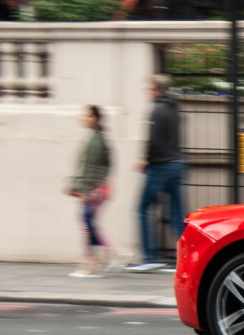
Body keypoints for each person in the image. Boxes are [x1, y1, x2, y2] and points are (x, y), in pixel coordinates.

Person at [128, 75, 186, 273]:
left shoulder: (156, 110)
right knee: (177, 213)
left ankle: (150, 256)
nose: (148, 92)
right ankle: (184, 258)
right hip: (177, 164)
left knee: (142, 208)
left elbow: (153, 140)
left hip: (160, 165)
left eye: (149, 88)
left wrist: (146, 160)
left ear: (156, 89)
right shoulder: (175, 110)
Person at [65, 105, 126, 277]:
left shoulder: (95, 140)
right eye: (85, 115)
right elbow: (105, 166)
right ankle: (93, 262)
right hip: (99, 187)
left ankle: (104, 257)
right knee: (88, 224)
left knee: (88, 224)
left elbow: (91, 168)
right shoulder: (98, 138)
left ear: (97, 119)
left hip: (94, 188)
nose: (84, 118)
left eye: (88, 116)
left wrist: (85, 190)